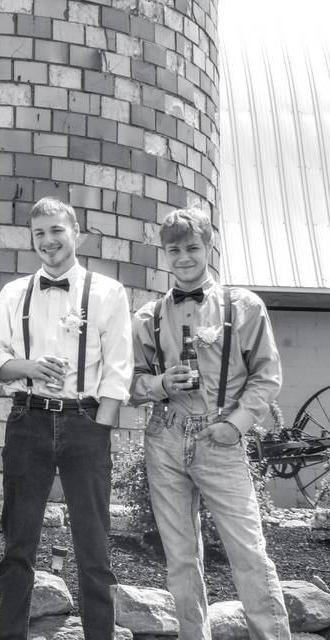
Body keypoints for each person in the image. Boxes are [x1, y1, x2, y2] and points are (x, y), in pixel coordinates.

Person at [129, 208, 291, 639]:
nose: (183, 257)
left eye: (192, 247)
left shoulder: (243, 306)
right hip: (165, 437)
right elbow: (131, 383)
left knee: (249, 553)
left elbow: (267, 375)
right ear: (165, 254)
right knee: (180, 557)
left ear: (209, 248)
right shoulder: (149, 317)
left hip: (220, 438)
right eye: (174, 249)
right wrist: (161, 382)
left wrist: (235, 425)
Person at [0, 196, 132, 640]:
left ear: (76, 234)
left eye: (56, 231)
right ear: (31, 239)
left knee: (93, 547)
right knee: (18, 545)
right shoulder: (14, 294)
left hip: (85, 423)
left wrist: (98, 427)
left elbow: (118, 368)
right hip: (27, 420)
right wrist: (27, 367)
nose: (48, 241)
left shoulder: (109, 292)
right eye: (39, 234)